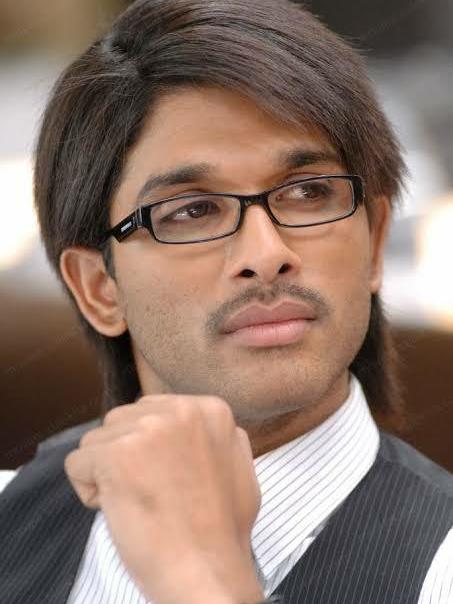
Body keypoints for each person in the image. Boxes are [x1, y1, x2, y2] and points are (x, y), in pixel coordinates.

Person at [1, 0, 452, 602]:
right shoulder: (13, 514)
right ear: (98, 288)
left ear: (373, 244)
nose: (266, 253)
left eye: (308, 192)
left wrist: (203, 581)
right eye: (192, 210)